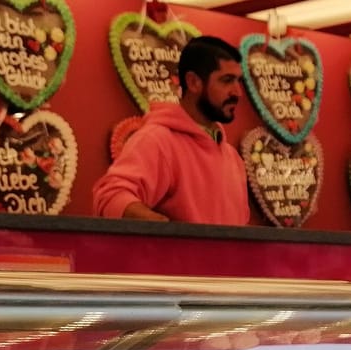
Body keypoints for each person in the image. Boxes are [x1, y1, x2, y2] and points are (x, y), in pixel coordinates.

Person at [91, 36, 250, 225]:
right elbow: (109, 197)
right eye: (227, 80)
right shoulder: (157, 141)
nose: (237, 92)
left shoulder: (232, 157)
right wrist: (164, 231)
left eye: (238, 81)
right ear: (193, 82)